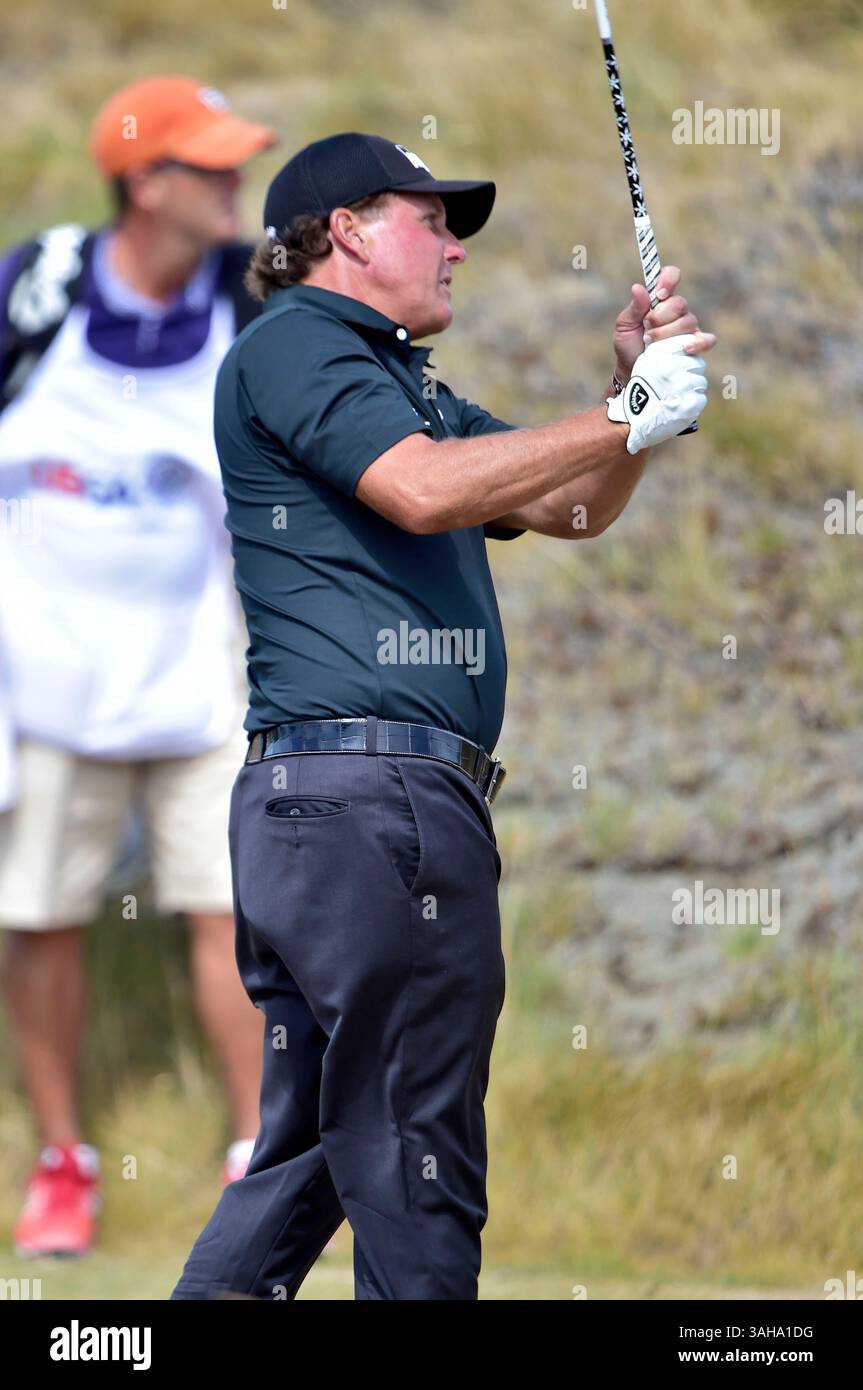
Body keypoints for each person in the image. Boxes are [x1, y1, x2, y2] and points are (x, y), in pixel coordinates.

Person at [170, 132, 716, 1301]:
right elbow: (420, 492)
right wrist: (625, 410)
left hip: (338, 810)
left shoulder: (391, 375)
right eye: (429, 218)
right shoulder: (302, 345)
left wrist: (630, 414)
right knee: (418, 1149)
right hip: (374, 804)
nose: (455, 244)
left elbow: (565, 506)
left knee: (325, 1142)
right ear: (350, 232)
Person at [0, 75, 277, 1258]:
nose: (232, 183)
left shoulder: (246, 296)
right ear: (144, 182)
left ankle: (257, 1162)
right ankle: (62, 1161)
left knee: (233, 919)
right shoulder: (34, 288)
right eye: (207, 165)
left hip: (198, 680)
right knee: (41, 919)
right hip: (42, 686)